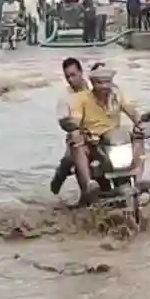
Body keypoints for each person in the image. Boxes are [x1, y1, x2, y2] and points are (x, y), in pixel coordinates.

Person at [65, 66, 150, 205]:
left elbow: (132, 111)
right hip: (92, 141)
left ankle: (138, 178)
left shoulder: (117, 96)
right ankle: (89, 184)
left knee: (138, 136)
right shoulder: (81, 99)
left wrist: (139, 123)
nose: (104, 86)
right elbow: (75, 119)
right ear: (93, 84)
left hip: (113, 141)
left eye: (107, 82)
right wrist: (75, 128)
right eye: (100, 83)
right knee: (77, 143)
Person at [51, 57, 91, 195]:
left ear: (81, 72)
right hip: (78, 135)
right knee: (70, 157)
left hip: (100, 133)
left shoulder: (95, 88)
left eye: (73, 75)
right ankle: (61, 181)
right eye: (67, 76)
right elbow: (63, 120)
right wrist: (73, 126)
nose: (70, 79)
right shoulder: (65, 97)